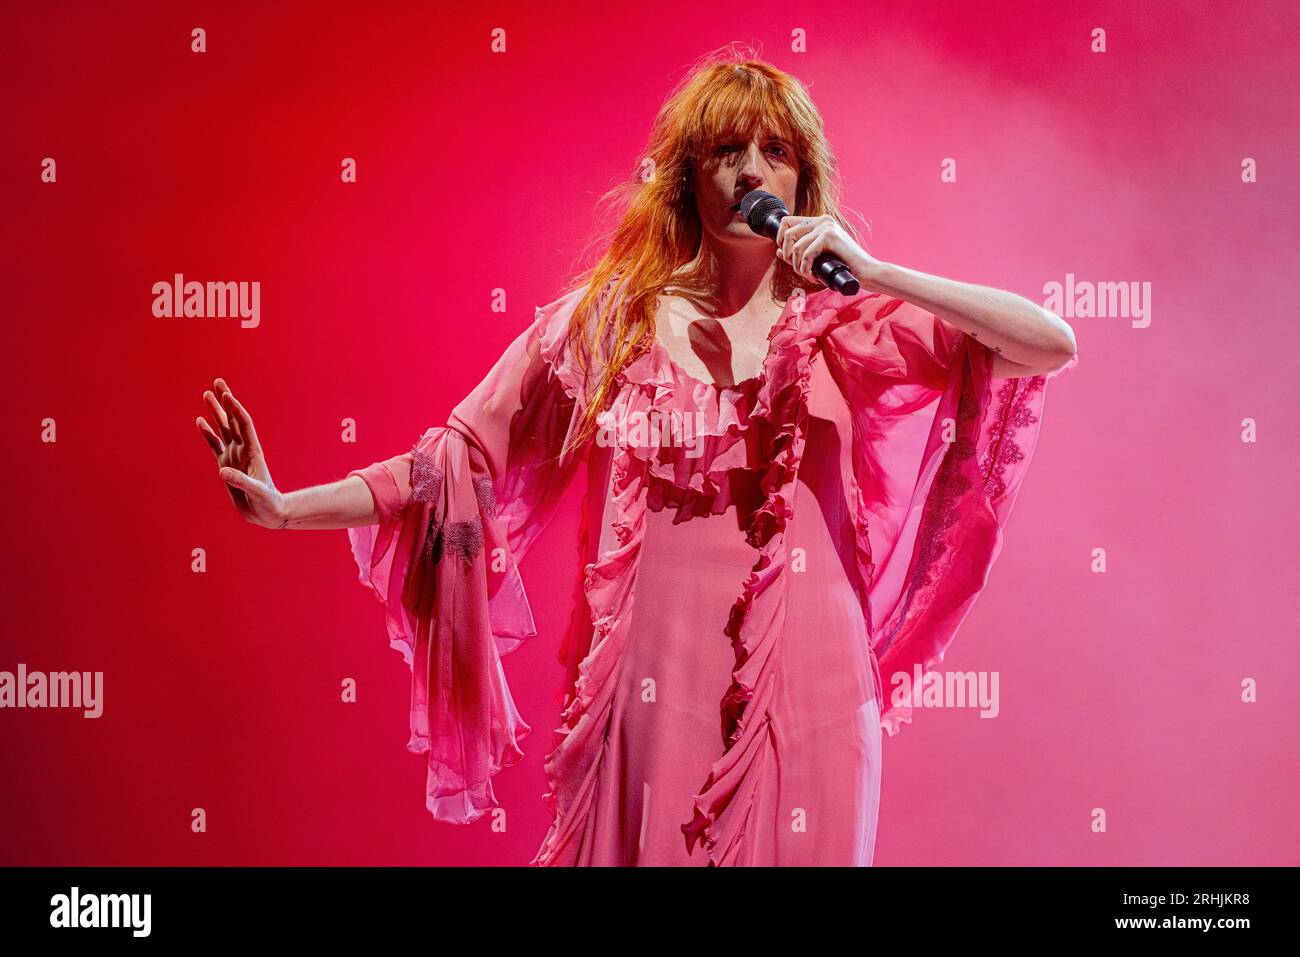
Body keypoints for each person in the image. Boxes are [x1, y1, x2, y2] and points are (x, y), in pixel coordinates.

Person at [196, 52, 1077, 867]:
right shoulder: (609, 323)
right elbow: (452, 463)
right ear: (687, 178)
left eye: (776, 151)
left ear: (804, 180)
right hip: (652, 682)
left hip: (808, 686)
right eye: (727, 149)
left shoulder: (852, 324)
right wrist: (283, 507)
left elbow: (1048, 344)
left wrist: (879, 273)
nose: (752, 172)